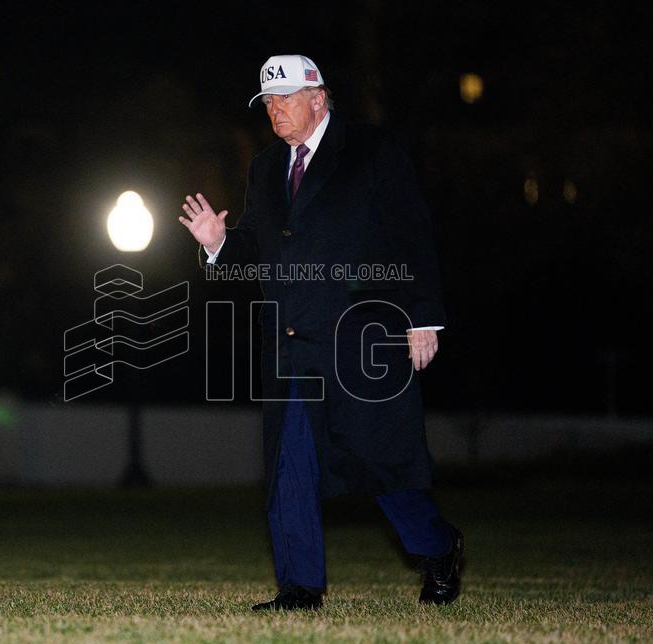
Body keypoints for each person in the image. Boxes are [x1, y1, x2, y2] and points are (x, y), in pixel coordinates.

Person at [178, 55, 463, 610]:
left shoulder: (372, 150)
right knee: (290, 465)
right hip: (289, 343)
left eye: (284, 98)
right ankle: (299, 589)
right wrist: (217, 242)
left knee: (380, 460)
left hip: (362, 338)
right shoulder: (264, 168)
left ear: (318, 97)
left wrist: (424, 317)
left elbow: (412, 233)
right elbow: (259, 250)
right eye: (268, 102)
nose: (275, 110)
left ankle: (438, 546)